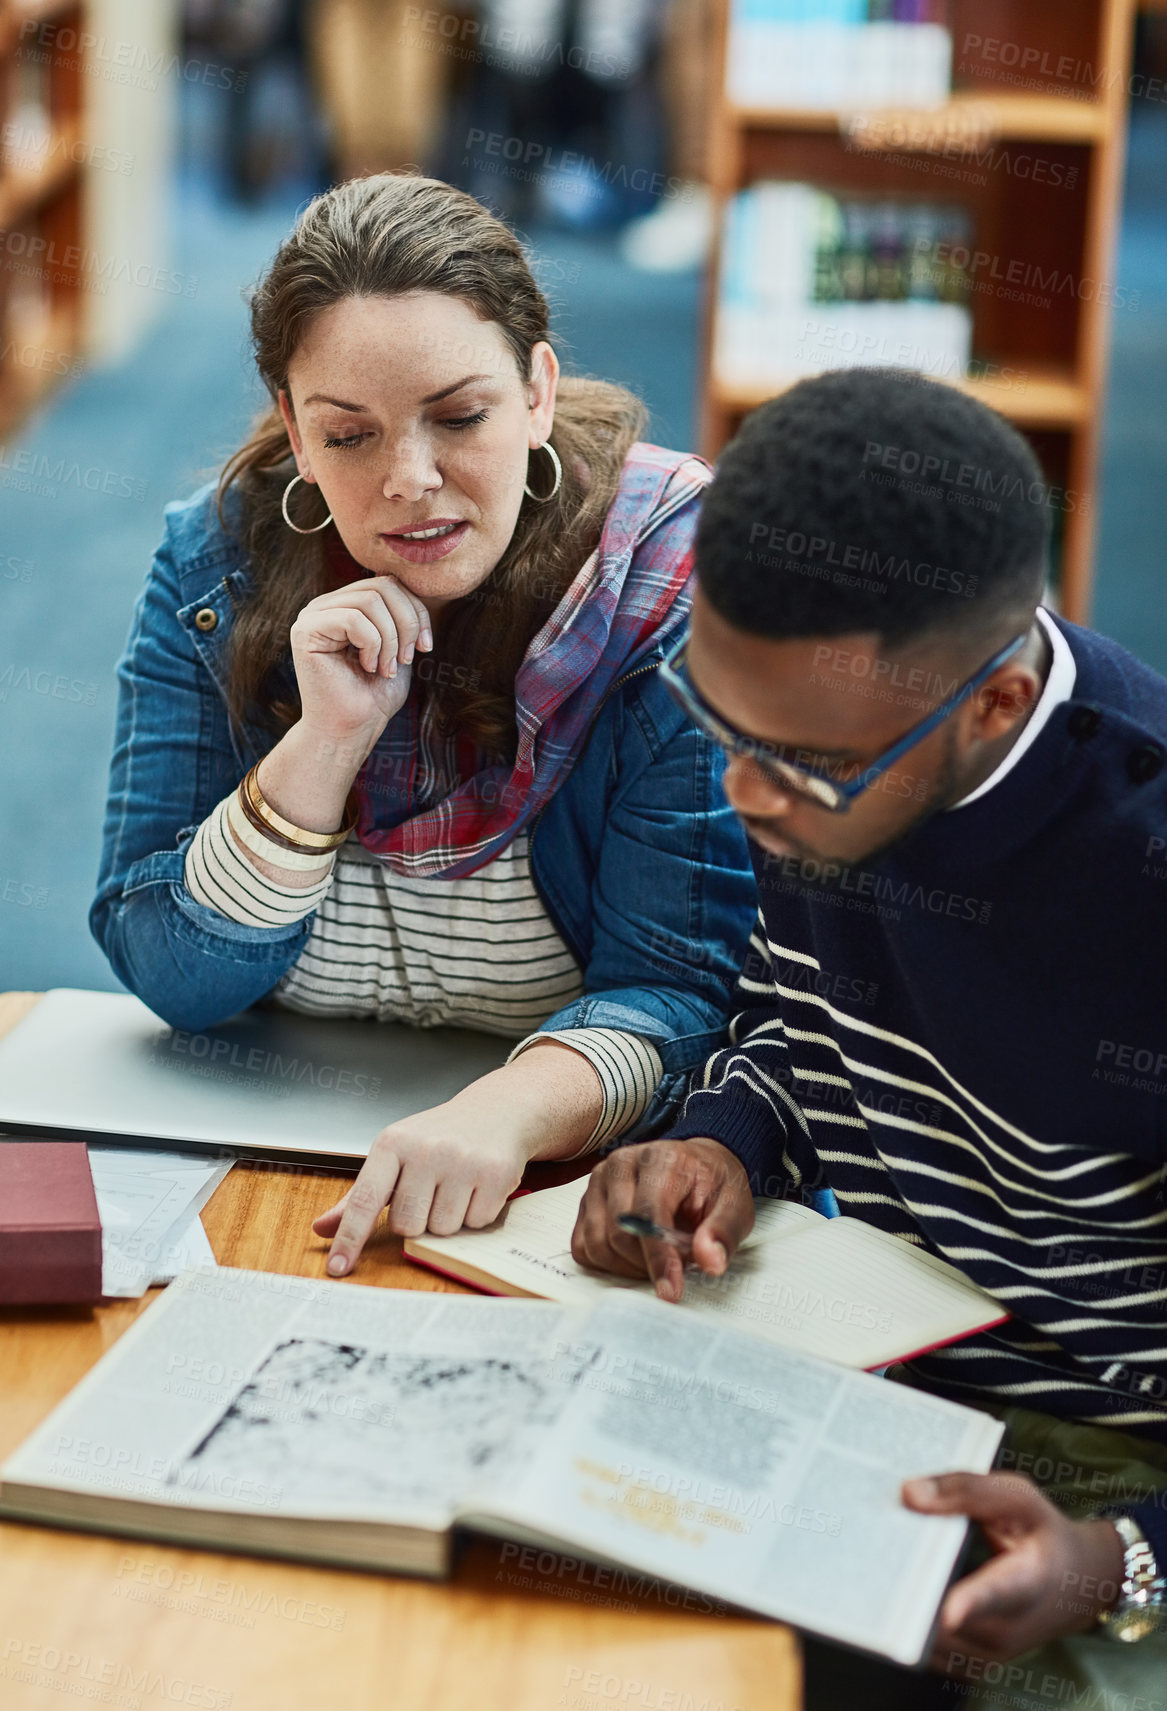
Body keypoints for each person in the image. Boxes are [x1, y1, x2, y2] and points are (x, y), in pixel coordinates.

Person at [571, 368, 1167, 1704]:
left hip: (1111, 1455)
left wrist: (1118, 1559)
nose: (739, 790)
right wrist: (723, 1134)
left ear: (994, 708)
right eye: (712, 713)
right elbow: (797, 1007)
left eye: (788, 761)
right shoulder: (827, 751)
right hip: (882, 1368)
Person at [90, 174, 755, 1264]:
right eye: (349, 435)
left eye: (461, 417)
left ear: (538, 391)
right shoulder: (211, 564)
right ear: (295, 435)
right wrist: (324, 744)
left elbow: (681, 994)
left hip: (545, 1182)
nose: (411, 481)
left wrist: (507, 1109)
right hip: (250, 1160)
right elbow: (167, 969)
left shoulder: (667, 589)